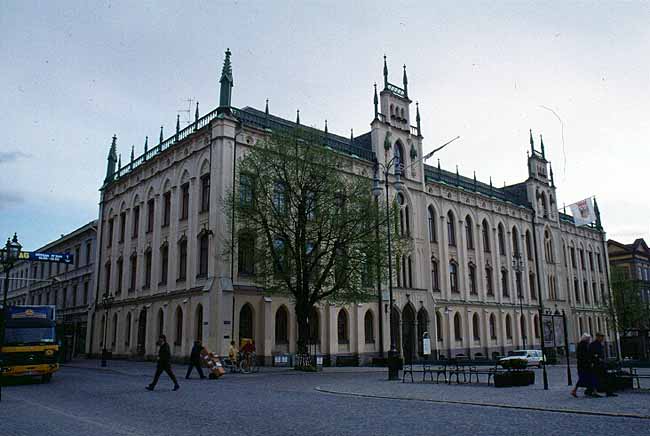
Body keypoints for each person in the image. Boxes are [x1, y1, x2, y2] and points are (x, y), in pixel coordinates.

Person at [589, 332, 618, 397]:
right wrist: (596, 358)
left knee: (605, 378)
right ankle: (594, 391)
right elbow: (591, 355)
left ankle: (608, 392)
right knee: (596, 379)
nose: (602, 338)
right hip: (596, 365)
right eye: (601, 337)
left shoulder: (600, 344)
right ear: (597, 337)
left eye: (602, 337)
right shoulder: (593, 345)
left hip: (601, 364)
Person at [571, 333, 598, 397]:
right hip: (585, 365)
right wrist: (591, 360)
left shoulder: (581, 345)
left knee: (584, 378)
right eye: (588, 339)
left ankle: (591, 391)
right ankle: (594, 391)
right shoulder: (584, 345)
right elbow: (586, 355)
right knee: (590, 377)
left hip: (582, 365)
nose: (589, 340)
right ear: (586, 339)